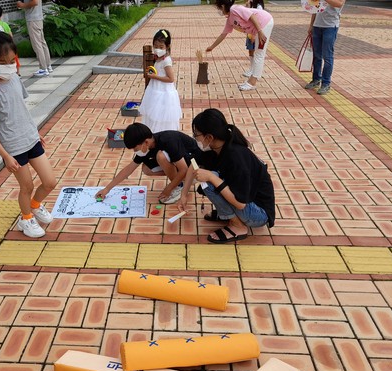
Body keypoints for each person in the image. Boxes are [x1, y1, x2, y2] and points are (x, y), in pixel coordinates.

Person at [0, 32, 56, 238]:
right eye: (2, 61)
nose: (8, 65)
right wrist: (5, 156)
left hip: (30, 139)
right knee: (26, 186)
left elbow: (22, 110)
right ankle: (25, 220)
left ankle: (35, 206)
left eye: (11, 61)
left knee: (50, 182)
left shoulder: (15, 78)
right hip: (13, 147)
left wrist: (35, 133)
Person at [177, 108, 275, 244]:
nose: (195, 138)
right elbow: (193, 165)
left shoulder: (236, 156)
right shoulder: (215, 147)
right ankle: (229, 215)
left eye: (196, 134)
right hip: (246, 203)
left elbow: (240, 204)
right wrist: (183, 195)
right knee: (210, 176)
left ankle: (238, 226)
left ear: (209, 137)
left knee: (210, 182)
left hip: (258, 213)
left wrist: (212, 178)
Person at [95, 123, 199, 205]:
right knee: (146, 169)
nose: (135, 152)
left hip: (195, 165)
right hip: (183, 165)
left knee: (161, 156)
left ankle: (179, 185)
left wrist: (169, 188)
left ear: (145, 142)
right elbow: (128, 169)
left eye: (135, 149)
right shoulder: (147, 146)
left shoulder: (168, 140)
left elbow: (184, 169)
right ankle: (180, 181)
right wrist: (107, 189)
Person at [206, 0, 274, 92]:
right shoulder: (230, 19)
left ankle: (252, 82)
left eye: (219, 9)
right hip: (259, 28)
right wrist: (212, 47)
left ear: (222, 7)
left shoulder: (235, 9)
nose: (220, 11)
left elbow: (252, 16)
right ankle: (251, 80)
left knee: (259, 53)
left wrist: (260, 31)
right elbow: (223, 34)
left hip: (265, 22)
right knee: (258, 53)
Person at [138, 29, 182, 132]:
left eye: (161, 47)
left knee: (161, 115)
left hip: (164, 92)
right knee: (152, 114)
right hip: (154, 89)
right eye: (156, 46)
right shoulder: (157, 58)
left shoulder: (166, 60)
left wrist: (154, 77)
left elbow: (171, 79)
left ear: (167, 46)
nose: (158, 49)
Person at [304, 0, 346, 95]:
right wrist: (311, 25)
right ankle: (316, 79)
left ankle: (326, 83)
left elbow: (339, 4)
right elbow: (315, 8)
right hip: (317, 26)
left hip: (330, 26)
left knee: (327, 56)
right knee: (317, 55)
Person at [16, 0, 52, 77]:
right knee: (42, 43)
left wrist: (22, 5)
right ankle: (48, 66)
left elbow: (35, 2)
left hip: (33, 19)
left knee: (37, 44)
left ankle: (43, 68)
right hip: (38, 18)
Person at [0, 5, 20, 76]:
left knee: (1, 60)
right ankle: (17, 72)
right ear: (2, 13)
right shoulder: (5, 24)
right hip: (7, 45)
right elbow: (11, 35)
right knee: (14, 58)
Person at [243, 0, 264, 78]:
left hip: (255, 33)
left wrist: (254, 35)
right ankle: (251, 69)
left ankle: (255, 71)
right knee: (250, 51)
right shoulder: (251, 5)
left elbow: (259, 22)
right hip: (250, 32)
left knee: (255, 52)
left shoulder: (259, 6)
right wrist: (247, 7)